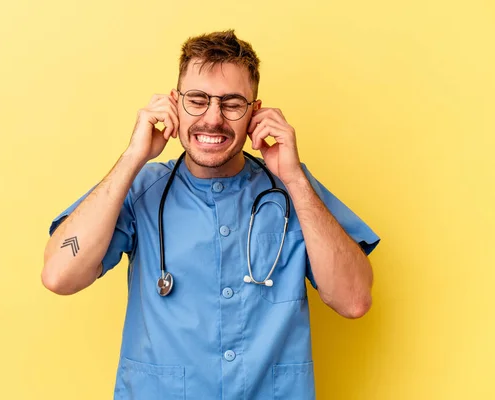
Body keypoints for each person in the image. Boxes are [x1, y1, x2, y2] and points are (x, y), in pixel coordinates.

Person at [42, 30, 380, 400]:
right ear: (174, 103)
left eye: (233, 103)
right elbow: (59, 275)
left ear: (256, 112)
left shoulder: (292, 190)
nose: (213, 118)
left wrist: (295, 179)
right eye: (198, 100)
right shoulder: (140, 189)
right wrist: (132, 157)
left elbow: (353, 301)